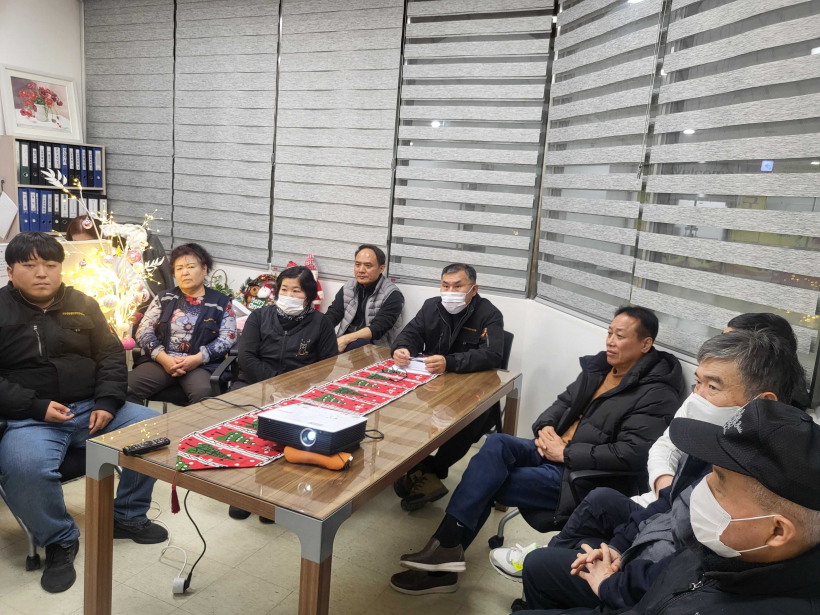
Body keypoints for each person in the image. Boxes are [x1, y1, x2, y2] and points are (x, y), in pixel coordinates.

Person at [390, 306, 684, 595]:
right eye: (609, 333)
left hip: (580, 474)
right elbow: (561, 403)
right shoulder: (600, 367)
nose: (610, 341)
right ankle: (446, 550)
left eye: (619, 336)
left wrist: (565, 453)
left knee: (487, 482)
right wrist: (545, 428)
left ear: (645, 344)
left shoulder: (657, 393)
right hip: (552, 452)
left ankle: (442, 560)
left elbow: (632, 453)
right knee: (497, 443)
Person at [516, 329, 806, 613]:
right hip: (645, 548)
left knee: (542, 564)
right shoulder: (711, 441)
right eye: (697, 383)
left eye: (712, 387)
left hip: (652, 584)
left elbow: (689, 565)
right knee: (555, 547)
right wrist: (618, 547)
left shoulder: (758, 483)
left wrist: (612, 583)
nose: (696, 397)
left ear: (763, 404)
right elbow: (670, 499)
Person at [0, 232, 167, 594]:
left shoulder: (83, 303)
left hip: (93, 408)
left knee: (154, 429)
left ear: (60, 268)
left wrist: (107, 402)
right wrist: (35, 406)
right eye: (29, 265)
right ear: (10, 271)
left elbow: (110, 355)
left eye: (50, 264)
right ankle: (60, 539)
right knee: (25, 467)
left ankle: (127, 515)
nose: (41, 273)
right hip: (31, 417)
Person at [390, 263, 505, 512]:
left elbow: (492, 354)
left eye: (457, 286)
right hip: (432, 384)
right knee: (403, 409)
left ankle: (430, 471)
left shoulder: (489, 314)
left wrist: (450, 362)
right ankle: (419, 469)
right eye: (445, 285)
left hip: (470, 388)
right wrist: (402, 349)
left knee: (467, 418)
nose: (450, 292)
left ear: (474, 289)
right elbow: (410, 333)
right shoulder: (431, 306)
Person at [228, 265, 338, 522]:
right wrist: (273, 383)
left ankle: (272, 498)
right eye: (284, 290)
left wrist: (293, 386)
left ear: (308, 294)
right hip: (255, 383)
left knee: (286, 439)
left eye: (296, 291)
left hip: (300, 391)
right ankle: (242, 493)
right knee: (246, 431)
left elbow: (326, 366)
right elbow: (246, 357)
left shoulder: (321, 323)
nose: (288, 295)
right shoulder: (260, 317)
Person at [127, 243, 236, 405]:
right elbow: (143, 331)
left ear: (204, 269)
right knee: (124, 388)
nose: (184, 272)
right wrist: (163, 358)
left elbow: (228, 337)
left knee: (204, 395)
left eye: (191, 267)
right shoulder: (164, 298)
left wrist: (198, 358)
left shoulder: (221, 302)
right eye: (179, 268)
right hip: (162, 362)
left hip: (201, 365)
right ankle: (142, 422)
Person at [66, 215, 173, 304]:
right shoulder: (69, 255)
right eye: (76, 243)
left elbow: (135, 287)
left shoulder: (115, 254)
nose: (82, 247)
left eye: (88, 242)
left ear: (98, 238)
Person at [324, 244, 404, 353]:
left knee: (358, 344)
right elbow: (333, 315)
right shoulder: (348, 288)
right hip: (345, 344)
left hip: (376, 349)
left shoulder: (392, 294)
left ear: (381, 268)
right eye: (358, 265)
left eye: (368, 266)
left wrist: (346, 338)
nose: (361, 270)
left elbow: (377, 329)